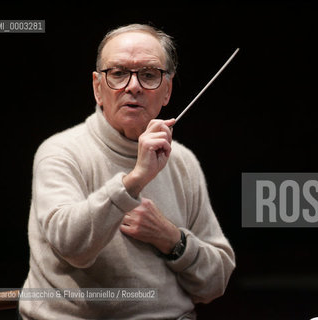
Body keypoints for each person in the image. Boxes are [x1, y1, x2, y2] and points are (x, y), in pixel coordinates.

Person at [19, 23, 235, 319]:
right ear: (98, 87)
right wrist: (134, 181)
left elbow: (216, 283)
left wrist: (171, 239)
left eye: (148, 75)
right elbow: (73, 247)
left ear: (167, 90)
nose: (133, 86)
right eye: (118, 73)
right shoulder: (59, 152)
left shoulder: (182, 161)